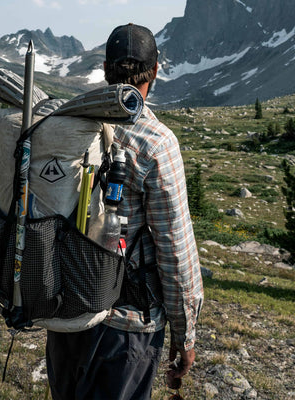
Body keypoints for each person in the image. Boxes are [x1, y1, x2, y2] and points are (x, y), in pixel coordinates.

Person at [45, 23, 204, 400]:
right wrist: (185, 335)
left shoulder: (72, 123)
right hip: (126, 326)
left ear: (104, 68)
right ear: (157, 68)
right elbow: (175, 250)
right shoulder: (157, 142)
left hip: (68, 312)